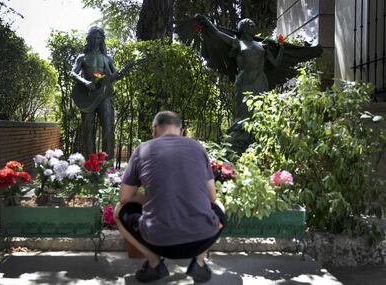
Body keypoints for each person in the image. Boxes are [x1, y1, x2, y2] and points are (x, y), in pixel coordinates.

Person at [115, 111, 225, 283]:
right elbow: (212, 196)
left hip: (158, 241)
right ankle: (199, 262)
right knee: (219, 205)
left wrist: (150, 199)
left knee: (119, 210)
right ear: (181, 131)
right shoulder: (197, 148)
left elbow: (124, 197)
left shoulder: (143, 149)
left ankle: (154, 263)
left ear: (154, 129)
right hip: (203, 239)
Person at [194, 15, 284, 152]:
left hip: (261, 82)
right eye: (250, 24)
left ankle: (258, 140)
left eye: (253, 23)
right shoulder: (237, 43)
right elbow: (218, 34)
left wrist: (282, 48)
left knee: (260, 113)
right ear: (243, 28)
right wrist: (206, 21)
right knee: (243, 114)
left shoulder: (261, 46)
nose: (253, 25)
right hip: (245, 83)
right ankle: (237, 143)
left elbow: (276, 64)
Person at [70, 26, 118, 159]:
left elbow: (115, 75)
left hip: (104, 96)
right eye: (94, 38)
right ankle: (90, 165)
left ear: (102, 39)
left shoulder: (107, 58)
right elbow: (73, 73)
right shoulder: (82, 57)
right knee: (88, 130)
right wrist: (85, 82)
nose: (96, 40)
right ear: (89, 39)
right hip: (88, 97)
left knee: (108, 129)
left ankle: (107, 166)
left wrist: (119, 74)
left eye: (99, 38)